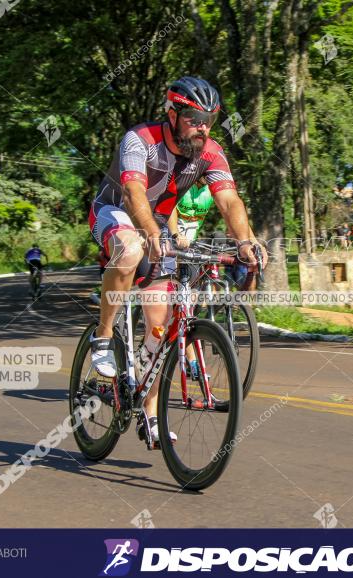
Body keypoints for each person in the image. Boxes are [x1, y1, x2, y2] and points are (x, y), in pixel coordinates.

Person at [87, 76, 268, 446]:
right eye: (193, 118)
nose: (202, 127)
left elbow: (229, 200)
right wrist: (151, 233)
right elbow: (135, 190)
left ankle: (149, 415)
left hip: (158, 227)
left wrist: (245, 242)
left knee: (161, 329)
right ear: (172, 114)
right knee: (131, 248)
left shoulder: (210, 152)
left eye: (209, 120)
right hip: (116, 211)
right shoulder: (141, 140)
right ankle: (103, 336)